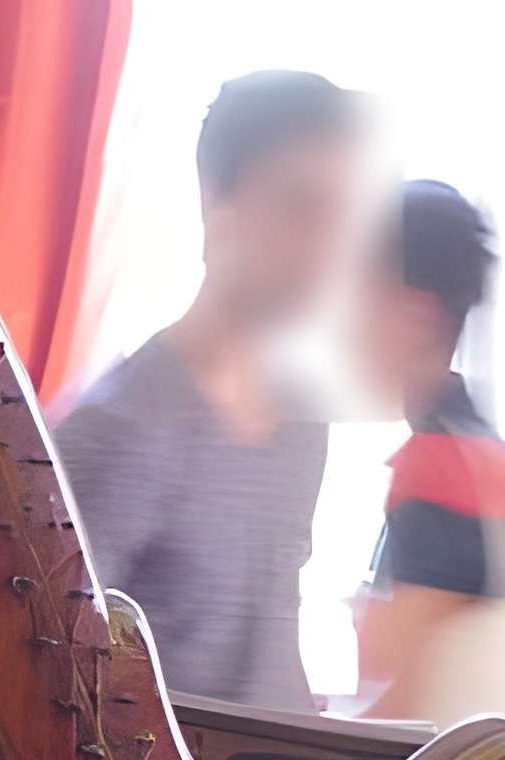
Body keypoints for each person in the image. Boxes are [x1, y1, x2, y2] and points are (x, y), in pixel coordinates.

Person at [54, 70, 364, 711]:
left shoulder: (302, 418)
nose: (327, 248)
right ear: (215, 207)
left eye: (342, 217)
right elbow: (57, 689)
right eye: (302, 209)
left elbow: (273, 659)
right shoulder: (118, 429)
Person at [351, 181, 505, 724]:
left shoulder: (436, 470)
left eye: (359, 297)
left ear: (415, 315)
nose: (344, 326)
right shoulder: (492, 461)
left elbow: (407, 720)